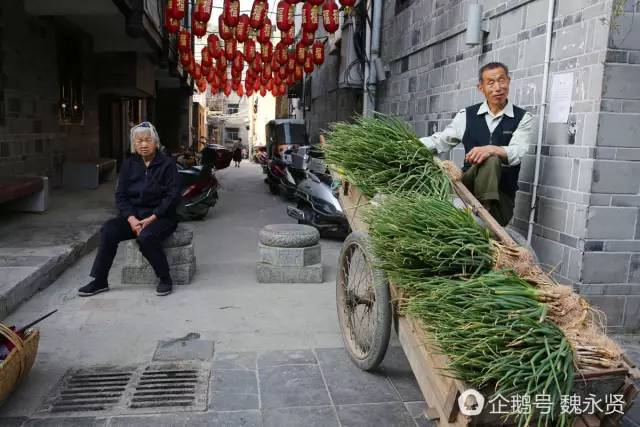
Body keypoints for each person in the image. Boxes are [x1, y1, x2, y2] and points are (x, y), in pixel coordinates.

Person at [419, 62, 534, 226]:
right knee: (490, 158)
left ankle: (485, 207)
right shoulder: (467, 115)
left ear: (508, 81)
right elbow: (441, 140)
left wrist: (491, 148)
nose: (497, 87)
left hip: (502, 195)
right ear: (481, 87)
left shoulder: (523, 117)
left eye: (501, 81)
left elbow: (518, 151)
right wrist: (409, 144)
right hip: (467, 190)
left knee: (492, 157)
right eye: (491, 82)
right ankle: (481, 208)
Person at [78, 121, 181, 297]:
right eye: (139, 141)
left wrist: (153, 217)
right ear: (134, 144)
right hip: (135, 216)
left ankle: (165, 278)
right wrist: (131, 218)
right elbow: (121, 196)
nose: (143, 144)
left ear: (155, 142)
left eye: (147, 140)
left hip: (161, 217)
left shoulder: (167, 164)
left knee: (146, 237)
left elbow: (173, 196)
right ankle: (100, 280)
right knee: (109, 230)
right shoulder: (129, 164)